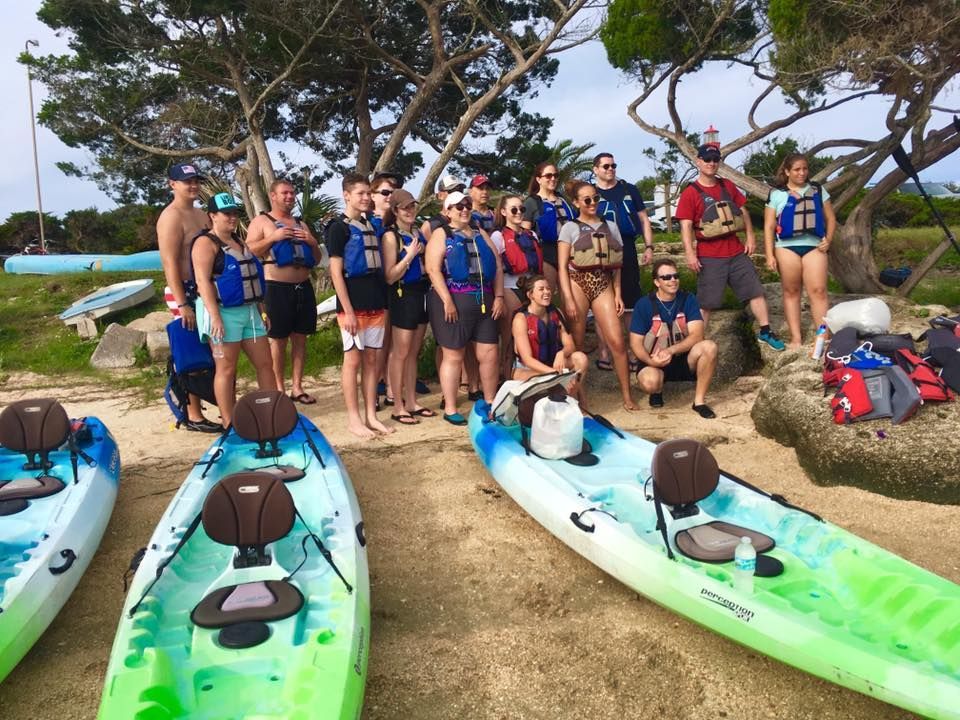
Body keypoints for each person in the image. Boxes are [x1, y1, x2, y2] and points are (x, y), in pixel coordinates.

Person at [676, 144, 785, 351]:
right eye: (707, 160)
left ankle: (765, 331)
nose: (711, 163)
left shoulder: (727, 185)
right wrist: (690, 254)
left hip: (735, 251)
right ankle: (695, 342)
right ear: (698, 162)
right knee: (706, 302)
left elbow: (742, 211)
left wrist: (750, 236)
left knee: (755, 291)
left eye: (715, 160)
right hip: (709, 254)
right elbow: (686, 225)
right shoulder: (690, 193)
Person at [191, 193, 275, 429]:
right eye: (226, 213)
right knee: (226, 369)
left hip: (249, 311)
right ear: (212, 216)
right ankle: (229, 422)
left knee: (265, 363)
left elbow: (251, 280)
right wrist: (215, 318)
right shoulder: (205, 243)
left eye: (234, 213)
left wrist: (262, 310)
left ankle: (271, 412)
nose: (232, 218)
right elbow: (203, 281)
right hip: (223, 313)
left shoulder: (240, 241)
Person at [557, 180, 638, 411]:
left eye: (595, 198)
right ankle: (578, 398)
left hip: (603, 283)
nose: (593, 203)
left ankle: (627, 396)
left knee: (617, 341)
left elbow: (616, 264)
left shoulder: (610, 226)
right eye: (587, 200)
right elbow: (563, 267)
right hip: (577, 283)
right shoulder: (569, 228)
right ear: (576, 203)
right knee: (578, 344)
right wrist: (569, 299)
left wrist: (618, 293)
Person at [425, 191, 505, 425]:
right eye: (458, 206)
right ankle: (450, 407)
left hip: (484, 300)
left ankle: (491, 402)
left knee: (490, 353)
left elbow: (498, 267)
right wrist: (447, 300)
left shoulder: (481, 233)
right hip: (453, 300)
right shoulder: (441, 234)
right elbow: (433, 269)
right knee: (454, 354)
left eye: (467, 205)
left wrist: (499, 296)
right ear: (448, 211)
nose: (464, 209)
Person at [325, 173, 394, 439]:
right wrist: (348, 311)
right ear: (346, 195)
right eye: (360, 194)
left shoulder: (370, 225)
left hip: (376, 301)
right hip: (352, 306)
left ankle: (371, 416)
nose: (366, 198)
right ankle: (354, 419)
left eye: (368, 193)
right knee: (352, 360)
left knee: (372, 360)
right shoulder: (338, 228)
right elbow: (335, 272)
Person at [245, 179, 322, 405]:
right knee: (277, 340)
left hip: (303, 287)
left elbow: (316, 260)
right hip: (276, 288)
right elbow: (249, 250)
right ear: (273, 196)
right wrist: (273, 238)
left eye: (292, 193)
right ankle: (278, 390)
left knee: (301, 338)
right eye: (284, 193)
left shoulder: (301, 224)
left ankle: (297, 387)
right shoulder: (262, 221)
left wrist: (313, 243)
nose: (289, 197)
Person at [156, 162, 220, 432]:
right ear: (172, 184)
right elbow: (169, 262)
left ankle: (204, 406)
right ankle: (193, 414)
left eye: (196, 180)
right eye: (186, 181)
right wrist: (182, 304)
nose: (193, 185)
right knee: (190, 351)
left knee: (209, 349)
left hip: (203, 287)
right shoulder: (171, 217)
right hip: (182, 289)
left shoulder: (202, 214)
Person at [629, 259, 718, 418]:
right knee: (650, 382)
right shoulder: (644, 304)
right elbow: (635, 343)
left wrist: (670, 350)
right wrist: (651, 361)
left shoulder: (688, 299)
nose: (673, 280)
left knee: (709, 346)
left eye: (675, 276)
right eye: (666, 277)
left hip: (683, 359)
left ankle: (699, 402)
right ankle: (657, 390)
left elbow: (697, 335)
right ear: (657, 282)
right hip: (654, 361)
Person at [763, 153, 835, 349]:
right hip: (786, 247)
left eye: (804, 169)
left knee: (818, 291)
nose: (802, 173)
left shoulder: (818, 190)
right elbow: (769, 226)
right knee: (791, 291)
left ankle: (823, 337)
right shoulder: (777, 194)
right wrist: (769, 255)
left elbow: (830, 218)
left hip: (814, 246)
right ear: (787, 171)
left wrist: (828, 240)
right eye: (796, 169)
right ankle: (796, 338)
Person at [593, 152, 656, 371]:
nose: (610, 169)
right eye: (605, 166)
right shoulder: (591, 193)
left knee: (630, 303)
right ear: (596, 170)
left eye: (613, 165)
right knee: (602, 303)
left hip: (627, 248)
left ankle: (631, 351)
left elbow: (643, 219)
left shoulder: (630, 189)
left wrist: (649, 247)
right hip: (598, 250)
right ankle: (604, 352)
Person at [381, 188, 435, 425]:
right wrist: (410, 255)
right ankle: (398, 405)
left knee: (413, 352)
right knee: (400, 352)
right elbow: (390, 276)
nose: (411, 211)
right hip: (402, 294)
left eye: (413, 206)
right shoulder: (390, 236)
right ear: (395, 211)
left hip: (421, 292)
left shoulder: (416, 232)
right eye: (406, 207)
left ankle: (412, 401)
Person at [512, 274, 588, 409]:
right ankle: (556, 396)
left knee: (580, 358)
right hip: (527, 370)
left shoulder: (556, 313)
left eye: (548, 288)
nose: (547, 292)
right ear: (530, 295)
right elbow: (527, 359)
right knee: (544, 378)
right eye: (541, 289)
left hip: (552, 366)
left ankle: (567, 401)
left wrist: (561, 353)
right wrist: (554, 373)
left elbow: (570, 345)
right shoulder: (520, 319)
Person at [490, 193, 544, 379]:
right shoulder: (498, 236)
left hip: (529, 287)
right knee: (509, 337)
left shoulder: (531, 234)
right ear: (504, 212)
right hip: (509, 286)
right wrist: (499, 297)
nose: (519, 212)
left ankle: (527, 374)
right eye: (514, 209)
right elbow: (495, 268)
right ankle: (504, 377)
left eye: (522, 209)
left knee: (531, 334)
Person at [523, 161, 576, 297]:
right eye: (548, 176)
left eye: (555, 175)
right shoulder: (531, 202)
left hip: (571, 251)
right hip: (547, 253)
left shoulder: (564, 200)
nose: (553, 178)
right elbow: (525, 232)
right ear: (538, 179)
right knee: (548, 294)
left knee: (571, 295)